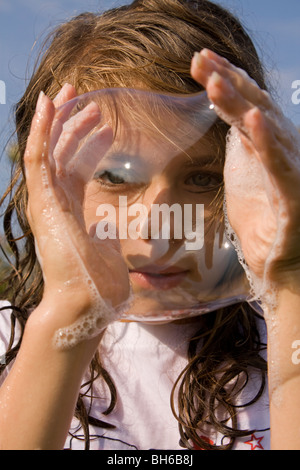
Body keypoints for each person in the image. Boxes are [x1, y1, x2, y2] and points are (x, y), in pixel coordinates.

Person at [0, 0, 300, 450]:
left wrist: (289, 286)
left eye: (202, 178)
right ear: (42, 180)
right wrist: (71, 313)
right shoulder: (13, 343)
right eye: (116, 176)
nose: (158, 232)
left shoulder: (282, 335)